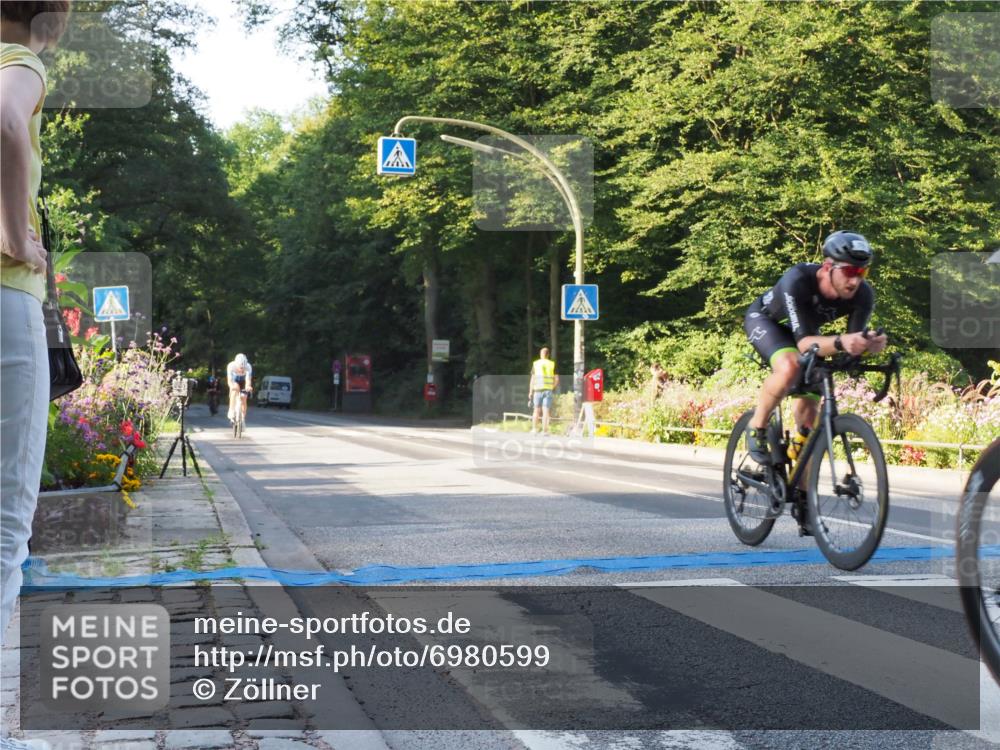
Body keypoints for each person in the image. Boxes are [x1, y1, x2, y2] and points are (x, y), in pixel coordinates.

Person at [1, 4, 71, 750]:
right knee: (6, 520)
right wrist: (16, 233)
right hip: (2, 298)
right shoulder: (18, 63)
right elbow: (8, 123)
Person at [743, 231, 887, 466]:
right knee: (790, 366)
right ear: (827, 266)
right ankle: (756, 426)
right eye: (850, 271)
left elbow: (851, 346)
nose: (855, 281)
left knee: (811, 416)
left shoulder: (863, 295)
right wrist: (841, 341)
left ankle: (802, 494)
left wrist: (869, 344)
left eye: (863, 272)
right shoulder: (798, 279)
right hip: (768, 322)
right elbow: (803, 344)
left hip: (807, 332)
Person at [528, 346, 558, 435]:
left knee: (536, 411)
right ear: (548, 355)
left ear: (541, 354)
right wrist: (552, 387)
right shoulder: (552, 364)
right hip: (548, 390)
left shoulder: (536, 364)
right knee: (546, 411)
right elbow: (556, 379)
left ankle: (534, 429)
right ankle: (545, 431)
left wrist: (530, 392)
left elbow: (532, 379)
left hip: (537, 390)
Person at [226, 353, 253, 424]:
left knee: (244, 397)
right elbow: (229, 380)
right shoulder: (231, 366)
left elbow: (248, 380)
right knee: (235, 390)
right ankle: (231, 410)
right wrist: (231, 387)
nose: (241, 369)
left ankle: (243, 418)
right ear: (236, 364)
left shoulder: (248, 367)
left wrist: (248, 386)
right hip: (234, 380)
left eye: (243, 368)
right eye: (240, 368)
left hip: (243, 380)